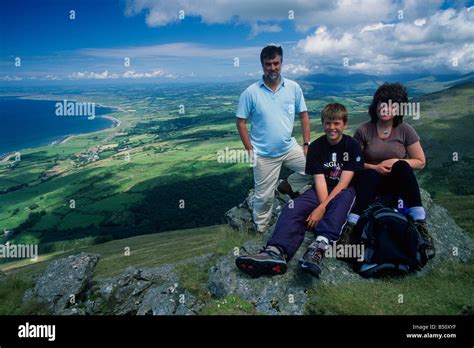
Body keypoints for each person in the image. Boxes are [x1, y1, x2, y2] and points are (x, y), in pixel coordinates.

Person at [236, 103, 363, 278]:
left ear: (344, 124)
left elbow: (343, 183)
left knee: (340, 205)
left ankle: (318, 248)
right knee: (293, 207)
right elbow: (319, 180)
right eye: (327, 123)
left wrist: (321, 208)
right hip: (320, 188)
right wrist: (321, 206)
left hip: (343, 190)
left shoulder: (352, 146)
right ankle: (276, 251)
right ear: (323, 123)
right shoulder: (317, 147)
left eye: (336, 123)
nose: (332, 127)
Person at [340, 82, 435, 259]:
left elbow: (420, 162)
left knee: (403, 166)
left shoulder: (405, 130)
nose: (386, 109)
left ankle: (420, 225)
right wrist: (375, 167)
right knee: (369, 174)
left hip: (395, 183)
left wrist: (396, 160)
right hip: (370, 184)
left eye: (392, 105)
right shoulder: (364, 130)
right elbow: (354, 163)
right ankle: (350, 228)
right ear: (375, 105)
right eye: (382, 104)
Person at [236, 45, 312, 233]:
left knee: (315, 169)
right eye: (268, 64)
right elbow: (240, 122)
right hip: (263, 155)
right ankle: (260, 231)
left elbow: (304, 115)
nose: (272, 67)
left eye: (276, 63)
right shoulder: (251, 93)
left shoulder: (293, 88)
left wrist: (306, 143)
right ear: (262, 65)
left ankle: (288, 185)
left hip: (289, 148)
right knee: (264, 198)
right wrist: (249, 150)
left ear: (281, 63)